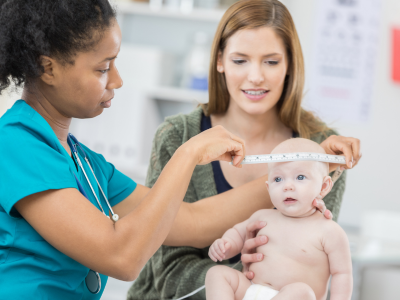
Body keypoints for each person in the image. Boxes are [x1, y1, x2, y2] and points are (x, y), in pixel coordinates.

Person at [0, 1, 271, 299]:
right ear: (46, 68)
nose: (117, 80)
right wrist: (187, 154)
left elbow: (193, 220)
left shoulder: (85, 163)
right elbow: (122, 257)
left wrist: (297, 172)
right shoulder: (15, 146)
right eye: (103, 68)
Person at [127, 1, 361, 299]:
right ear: (220, 61)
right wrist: (249, 284)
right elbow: (168, 274)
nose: (256, 77)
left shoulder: (323, 152)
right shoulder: (178, 137)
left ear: (290, 64)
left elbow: (315, 261)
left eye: (271, 61)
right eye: (240, 61)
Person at [206, 138, 353, 300]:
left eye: (300, 177)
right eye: (278, 179)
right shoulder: (263, 216)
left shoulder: (329, 231)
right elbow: (237, 233)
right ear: (269, 188)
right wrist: (225, 245)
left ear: (324, 186)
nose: (287, 186)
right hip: (251, 290)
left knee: (302, 291)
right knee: (217, 273)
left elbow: (342, 274)